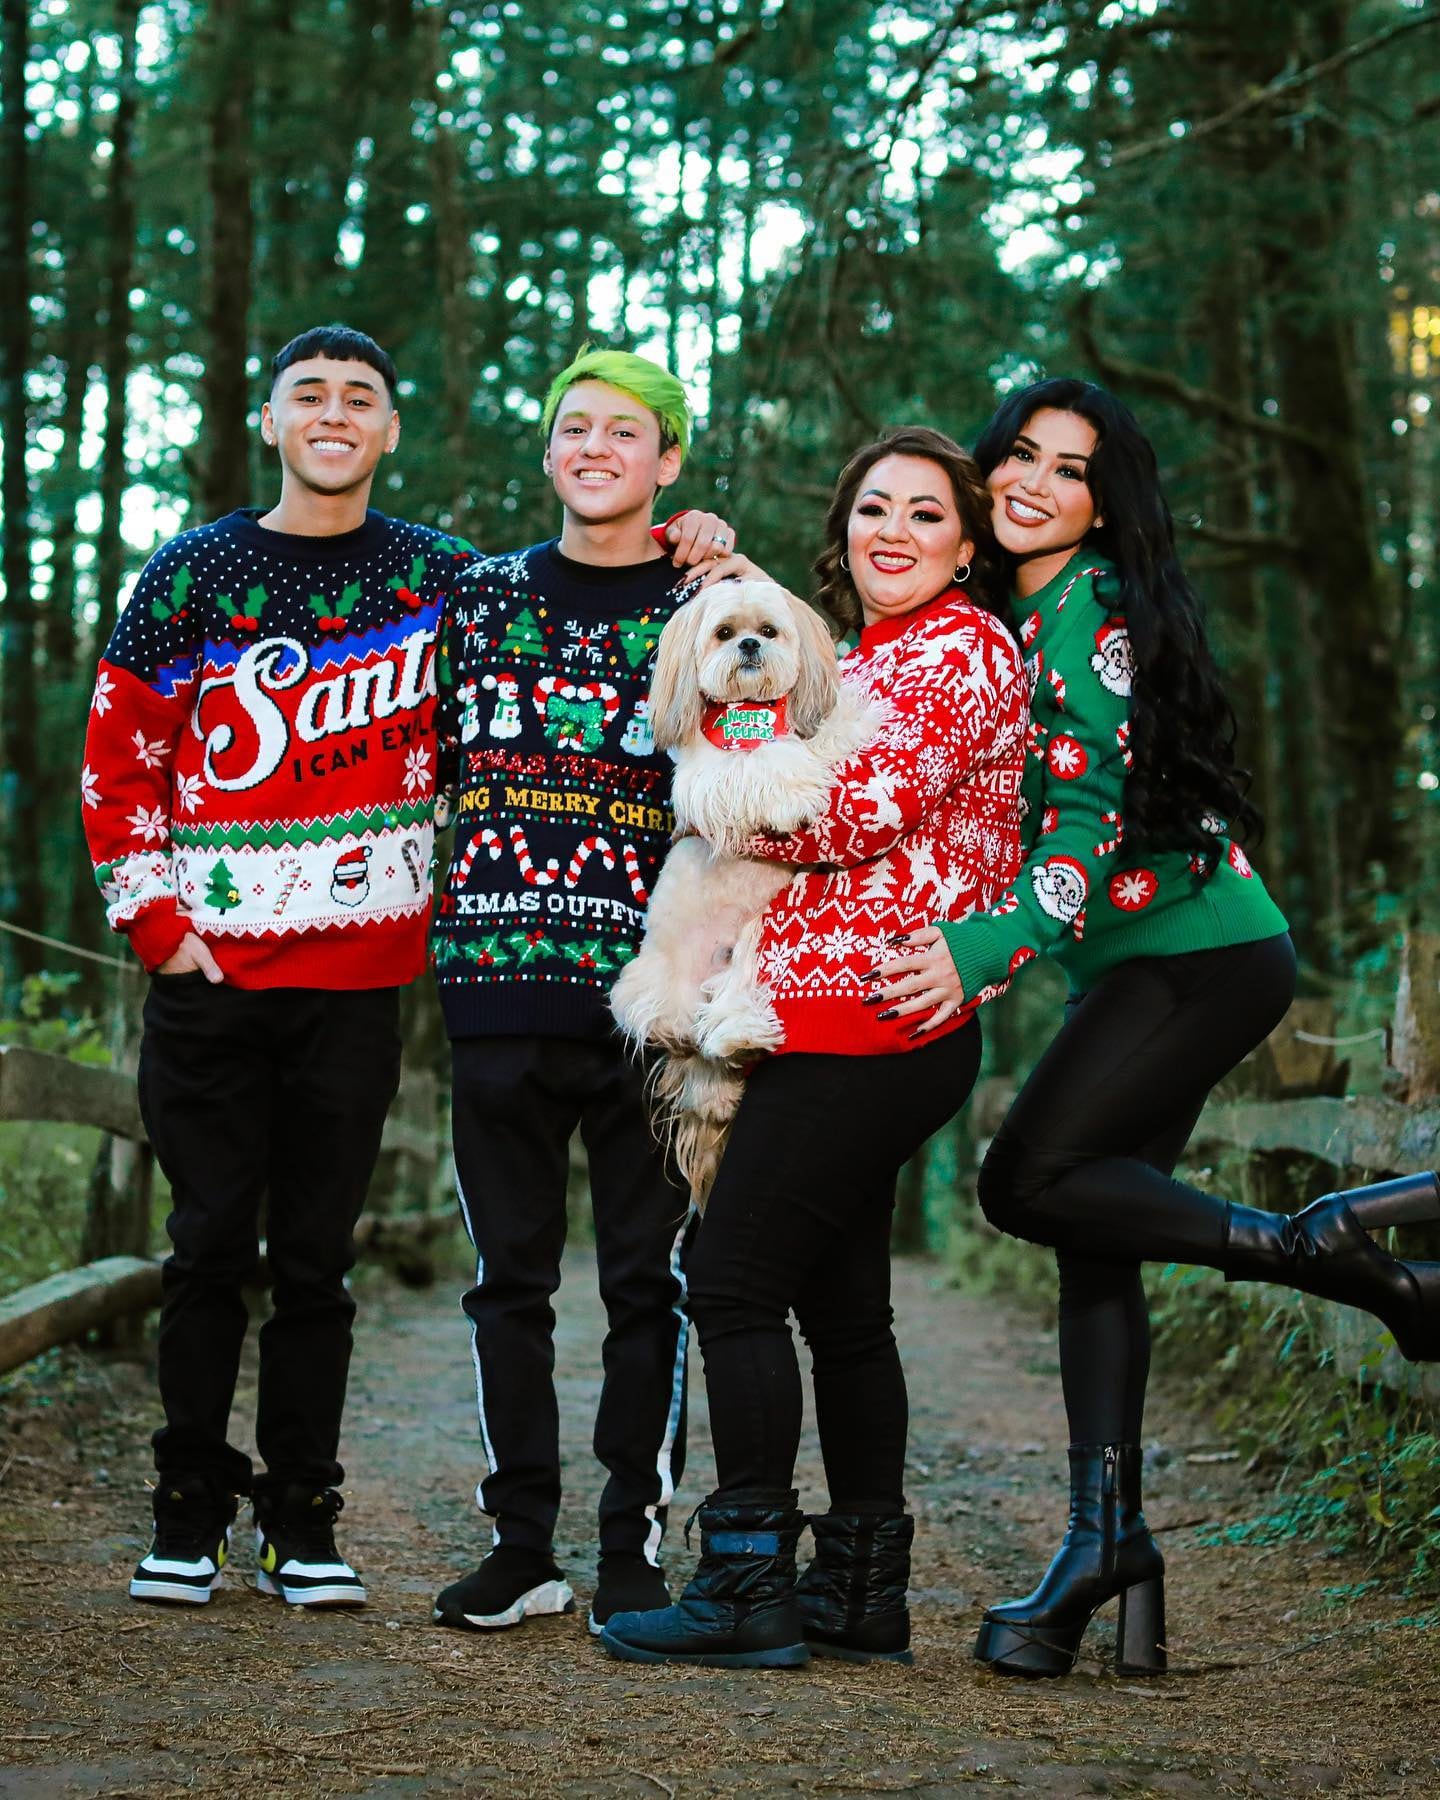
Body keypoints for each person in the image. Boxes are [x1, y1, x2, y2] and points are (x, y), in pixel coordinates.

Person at [870, 376, 1440, 1678]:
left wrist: (971, 951)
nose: (1032, 482)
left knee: (1028, 1179)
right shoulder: (1007, 603)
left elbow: (1074, 843)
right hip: (1145, 965)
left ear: (1104, 496)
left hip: (1203, 958)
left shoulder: (1096, 615)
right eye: (1019, 453)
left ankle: (1331, 1246)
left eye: (1069, 470)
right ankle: (1105, 1542)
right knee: (1091, 1224)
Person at [600, 426, 1031, 1669]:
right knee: (844, 1313)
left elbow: (845, 812)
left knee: (731, 1280)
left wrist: (698, 784)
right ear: (842, 526)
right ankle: (860, 1589)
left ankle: (747, 1587)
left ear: (964, 543)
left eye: (926, 515)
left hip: (872, 1025)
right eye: (872, 508)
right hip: (826, 1018)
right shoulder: (860, 649)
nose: (892, 531)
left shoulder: (959, 650)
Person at [82, 324, 476, 1607]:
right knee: (205, 1248)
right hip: (208, 979)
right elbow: (118, 764)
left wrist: (690, 545)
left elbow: (583, 619)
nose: (334, 411)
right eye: (309, 392)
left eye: (361, 396)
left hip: (359, 987)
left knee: (314, 1262)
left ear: (389, 431)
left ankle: (302, 1518)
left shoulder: (444, 581)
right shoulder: (190, 577)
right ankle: (187, 1508)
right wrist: (157, 929)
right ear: (269, 420)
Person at [429, 347, 733, 1635]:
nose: (595, 446)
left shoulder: (708, 605)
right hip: (493, 989)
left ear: (666, 463)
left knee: (643, 1286)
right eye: (574, 428)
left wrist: (717, 555)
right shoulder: (475, 597)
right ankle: (522, 1545)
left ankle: (628, 1549)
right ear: (548, 453)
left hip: (646, 1004)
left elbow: (761, 759)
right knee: (507, 1282)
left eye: (628, 431)